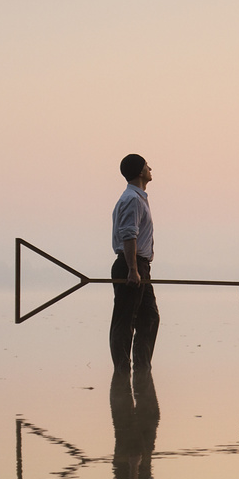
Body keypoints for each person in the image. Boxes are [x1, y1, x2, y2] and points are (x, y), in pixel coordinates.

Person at [110, 154, 159, 371]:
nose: (151, 168)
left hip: (141, 266)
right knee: (125, 320)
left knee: (150, 317)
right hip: (132, 264)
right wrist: (132, 269)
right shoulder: (132, 199)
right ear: (140, 172)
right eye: (147, 166)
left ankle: (142, 369)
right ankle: (122, 371)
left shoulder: (138, 198)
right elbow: (129, 235)